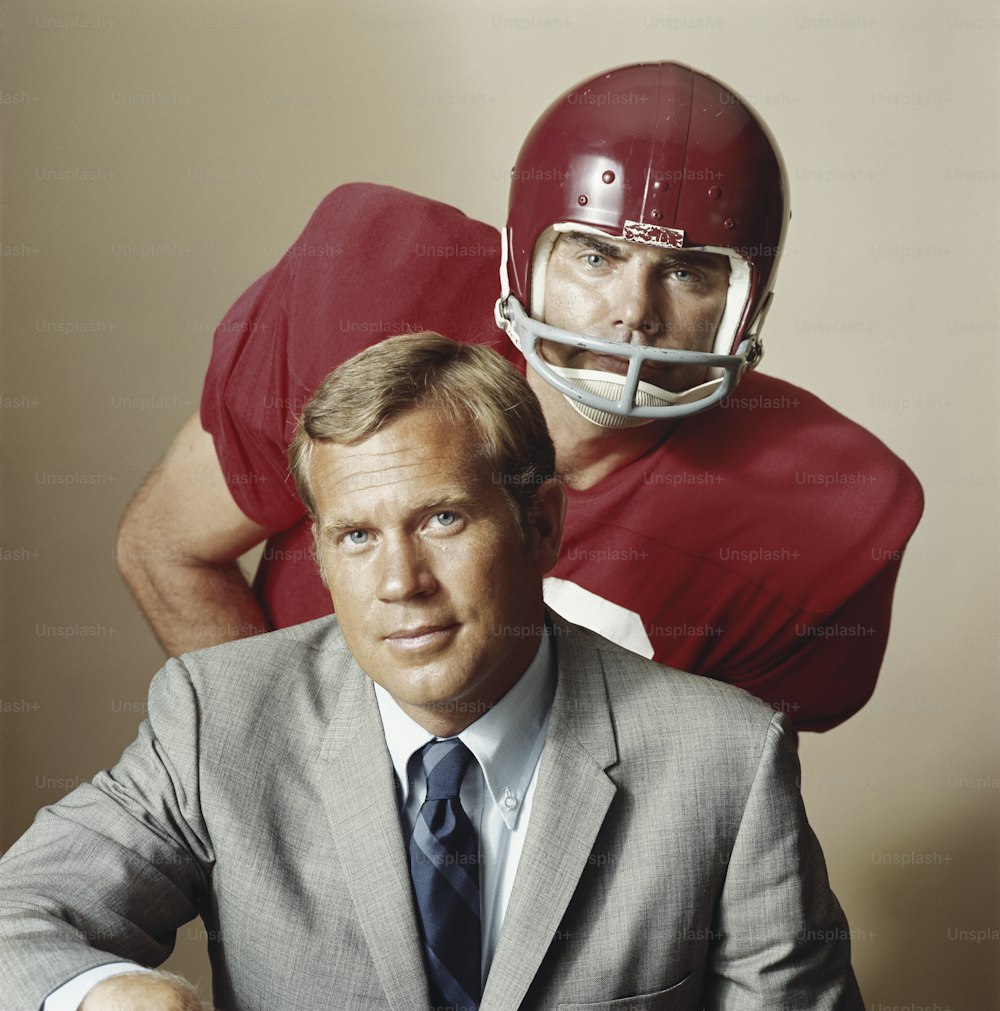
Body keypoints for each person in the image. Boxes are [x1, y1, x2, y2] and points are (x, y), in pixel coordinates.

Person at [1, 334, 864, 1010]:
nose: (400, 583)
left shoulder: (727, 760)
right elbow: (18, 917)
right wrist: (102, 993)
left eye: (442, 518)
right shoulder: (218, 718)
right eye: (357, 535)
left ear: (543, 525)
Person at [115, 62, 923, 733]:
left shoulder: (822, 507)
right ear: (520, 259)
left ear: (747, 302)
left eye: (686, 272)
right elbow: (168, 548)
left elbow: (717, 782)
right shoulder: (370, 287)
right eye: (595, 255)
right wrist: (287, 790)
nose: (633, 314)